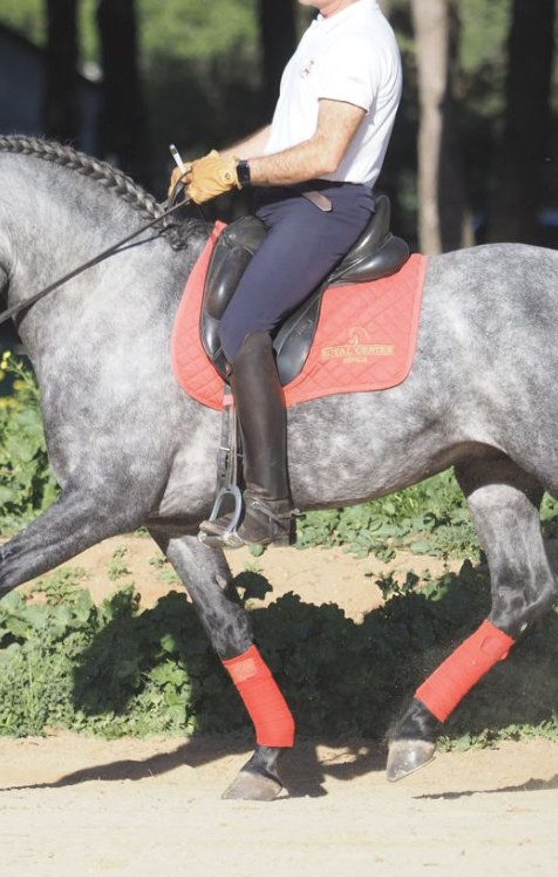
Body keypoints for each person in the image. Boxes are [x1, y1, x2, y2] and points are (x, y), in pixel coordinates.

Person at [173, 0, 402, 549]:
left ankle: (271, 507)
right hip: (287, 202)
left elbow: (324, 152)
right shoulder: (325, 30)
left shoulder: (358, 40)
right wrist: (212, 165)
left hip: (326, 205)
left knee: (242, 323)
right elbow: (285, 131)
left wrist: (236, 173)